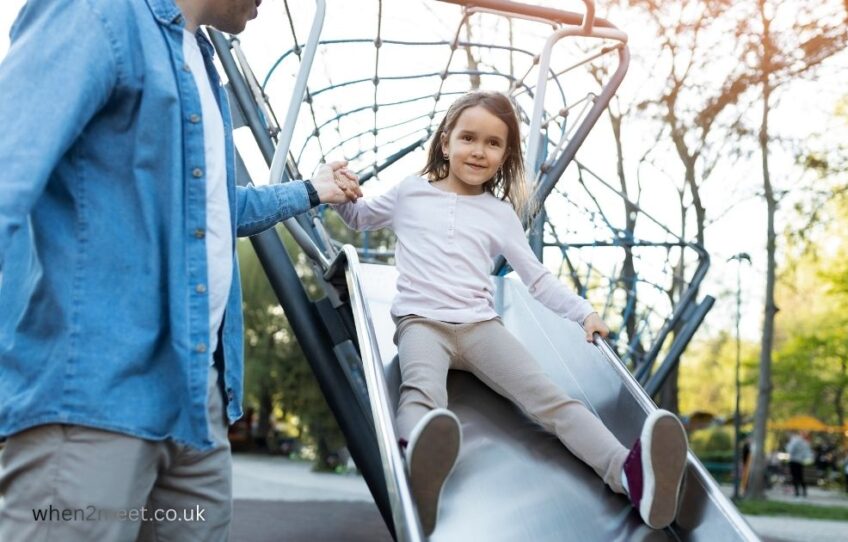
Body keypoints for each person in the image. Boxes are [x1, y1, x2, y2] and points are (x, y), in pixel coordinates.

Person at [0, 1, 360, 541]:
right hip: (95, 391)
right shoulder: (100, 14)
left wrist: (312, 190)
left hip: (196, 396)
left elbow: (216, 208)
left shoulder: (201, 60)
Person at [332, 90, 689, 534]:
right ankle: (416, 467)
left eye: (493, 143)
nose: (478, 151)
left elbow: (536, 278)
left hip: (480, 328)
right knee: (421, 394)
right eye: (468, 138)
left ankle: (630, 476)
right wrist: (337, 191)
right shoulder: (410, 191)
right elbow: (359, 217)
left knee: (552, 398)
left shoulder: (499, 213)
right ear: (445, 142)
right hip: (421, 323)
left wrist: (583, 313)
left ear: (505, 155)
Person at [786, 432, 813, 497]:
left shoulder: (795, 441)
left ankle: (797, 492)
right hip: (799, 461)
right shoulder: (804, 443)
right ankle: (802, 491)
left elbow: (790, 450)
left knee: (795, 477)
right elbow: (807, 454)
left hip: (794, 461)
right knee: (800, 477)